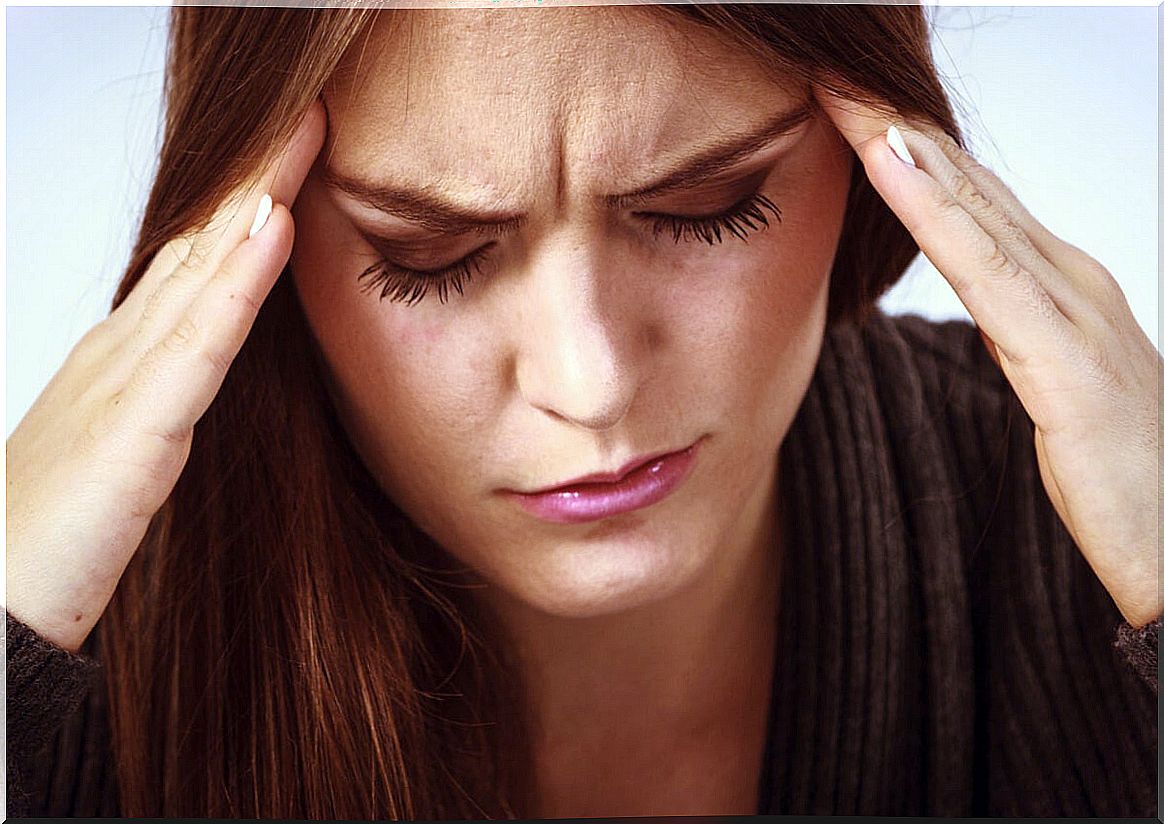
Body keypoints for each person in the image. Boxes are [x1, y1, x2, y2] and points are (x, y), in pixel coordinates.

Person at [5, 4, 1158, 818]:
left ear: (873, 156)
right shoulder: (85, 644)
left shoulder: (1080, 543)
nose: (590, 380)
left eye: (708, 206)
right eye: (431, 255)